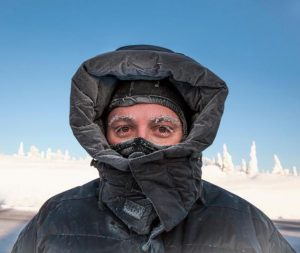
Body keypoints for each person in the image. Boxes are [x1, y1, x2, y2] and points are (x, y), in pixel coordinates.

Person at [11, 45, 295, 253]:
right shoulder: (57, 217)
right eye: (124, 128)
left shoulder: (246, 223)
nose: (140, 142)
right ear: (102, 135)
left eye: (161, 129)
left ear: (187, 135)